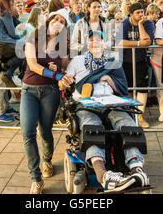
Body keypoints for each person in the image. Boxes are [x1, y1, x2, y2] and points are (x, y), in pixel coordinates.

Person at [62, 30, 149, 192]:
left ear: (104, 44)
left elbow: (122, 88)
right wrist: (64, 82)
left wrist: (108, 78)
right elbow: (66, 84)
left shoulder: (113, 62)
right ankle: (103, 174)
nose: (95, 43)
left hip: (111, 102)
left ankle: (136, 168)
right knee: (91, 125)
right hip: (86, 104)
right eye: (91, 40)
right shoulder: (78, 62)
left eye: (98, 40)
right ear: (87, 44)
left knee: (127, 122)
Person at [20, 8, 73, 194]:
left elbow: (64, 67)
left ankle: (47, 160)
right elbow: (33, 65)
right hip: (29, 90)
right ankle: (36, 178)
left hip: (51, 91)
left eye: (62, 20)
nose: (58, 21)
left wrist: (57, 69)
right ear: (49, 19)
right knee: (27, 132)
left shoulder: (63, 44)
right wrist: (53, 72)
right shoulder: (33, 37)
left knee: (45, 130)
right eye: (55, 18)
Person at [115, 2, 153, 128]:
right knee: (129, 88)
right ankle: (131, 114)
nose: (141, 14)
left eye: (142, 12)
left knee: (142, 88)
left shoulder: (147, 23)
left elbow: (147, 41)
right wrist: (138, 43)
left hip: (141, 60)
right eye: (138, 12)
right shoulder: (124, 23)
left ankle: (140, 116)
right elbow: (120, 41)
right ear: (131, 14)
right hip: (126, 60)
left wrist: (141, 25)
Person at [0, 0, 23, 89]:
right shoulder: (4, 12)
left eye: (15, 0)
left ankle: (8, 72)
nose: (14, 2)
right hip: (1, 43)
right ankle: (8, 67)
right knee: (28, 48)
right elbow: (13, 33)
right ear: (6, 0)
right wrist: (24, 39)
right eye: (12, 0)